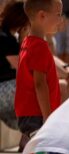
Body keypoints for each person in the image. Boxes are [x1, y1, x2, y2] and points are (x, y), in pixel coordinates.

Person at [15, 0, 62, 151]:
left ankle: (27, 140)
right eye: (58, 14)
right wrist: (47, 118)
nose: (60, 19)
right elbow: (40, 84)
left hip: (29, 114)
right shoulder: (39, 47)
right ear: (42, 15)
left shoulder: (27, 42)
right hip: (37, 115)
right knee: (43, 151)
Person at [0, 0, 28, 130]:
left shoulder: (8, 38)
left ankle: (28, 135)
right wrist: (24, 39)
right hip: (3, 90)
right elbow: (23, 67)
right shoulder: (5, 39)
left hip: (5, 90)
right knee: (38, 88)